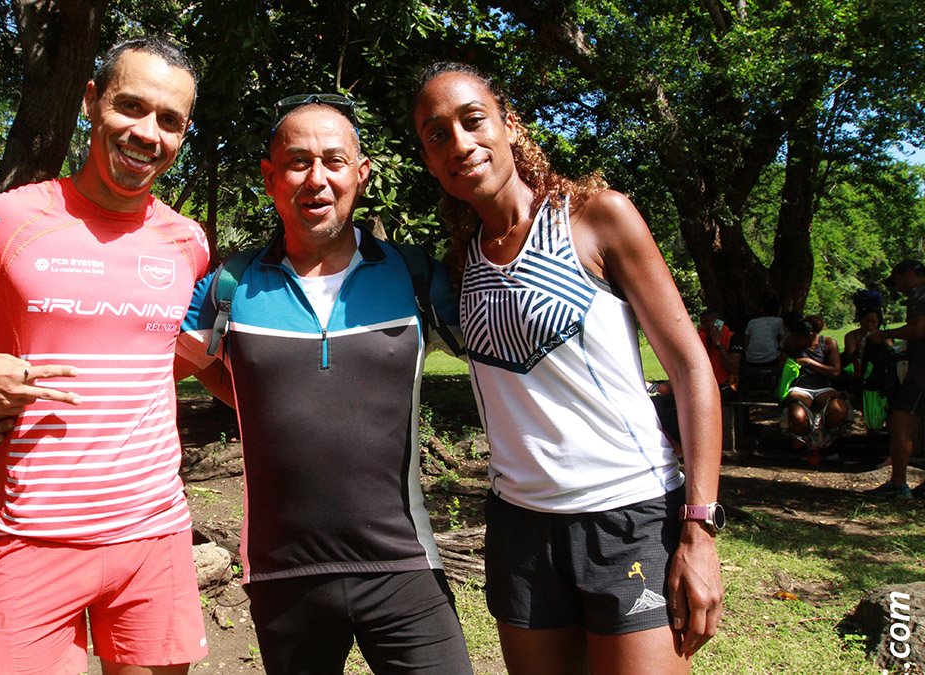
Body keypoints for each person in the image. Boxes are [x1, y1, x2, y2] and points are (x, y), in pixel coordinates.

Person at [0, 37, 210, 675]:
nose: (147, 133)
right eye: (130, 106)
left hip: (155, 536)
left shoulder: (187, 242)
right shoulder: (8, 220)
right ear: (90, 101)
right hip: (34, 537)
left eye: (170, 120)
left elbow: (156, 353)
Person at [412, 62, 723, 674]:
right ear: (427, 159)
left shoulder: (595, 218)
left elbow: (690, 368)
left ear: (508, 122)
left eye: (473, 121)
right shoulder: (460, 262)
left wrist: (700, 527)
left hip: (629, 516)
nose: (460, 144)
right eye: (436, 135)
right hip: (520, 531)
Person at [173, 96, 473, 674]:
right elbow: (178, 364)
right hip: (283, 575)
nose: (318, 179)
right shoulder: (230, 285)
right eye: (297, 162)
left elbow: (498, 357)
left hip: (405, 567)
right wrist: (251, 403)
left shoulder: (413, 276)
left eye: (334, 161)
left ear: (360, 174)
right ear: (270, 177)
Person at [865, 259, 925, 499]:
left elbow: (919, 328)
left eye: (898, 281)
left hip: (921, 373)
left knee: (901, 422)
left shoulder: (919, 293)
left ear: (909, 274)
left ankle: (899, 484)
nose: (898, 288)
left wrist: (885, 335)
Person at [780, 313, 847, 461]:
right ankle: (805, 443)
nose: (797, 341)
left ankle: (826, 441)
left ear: (811, 335)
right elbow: (783, 355)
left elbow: (835, 371)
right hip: (801, 386)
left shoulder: (829, 344)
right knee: (798, 416)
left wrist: (810, 363)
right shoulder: (792, 342)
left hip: (823, 386)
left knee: (839, 410)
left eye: (800, 338)